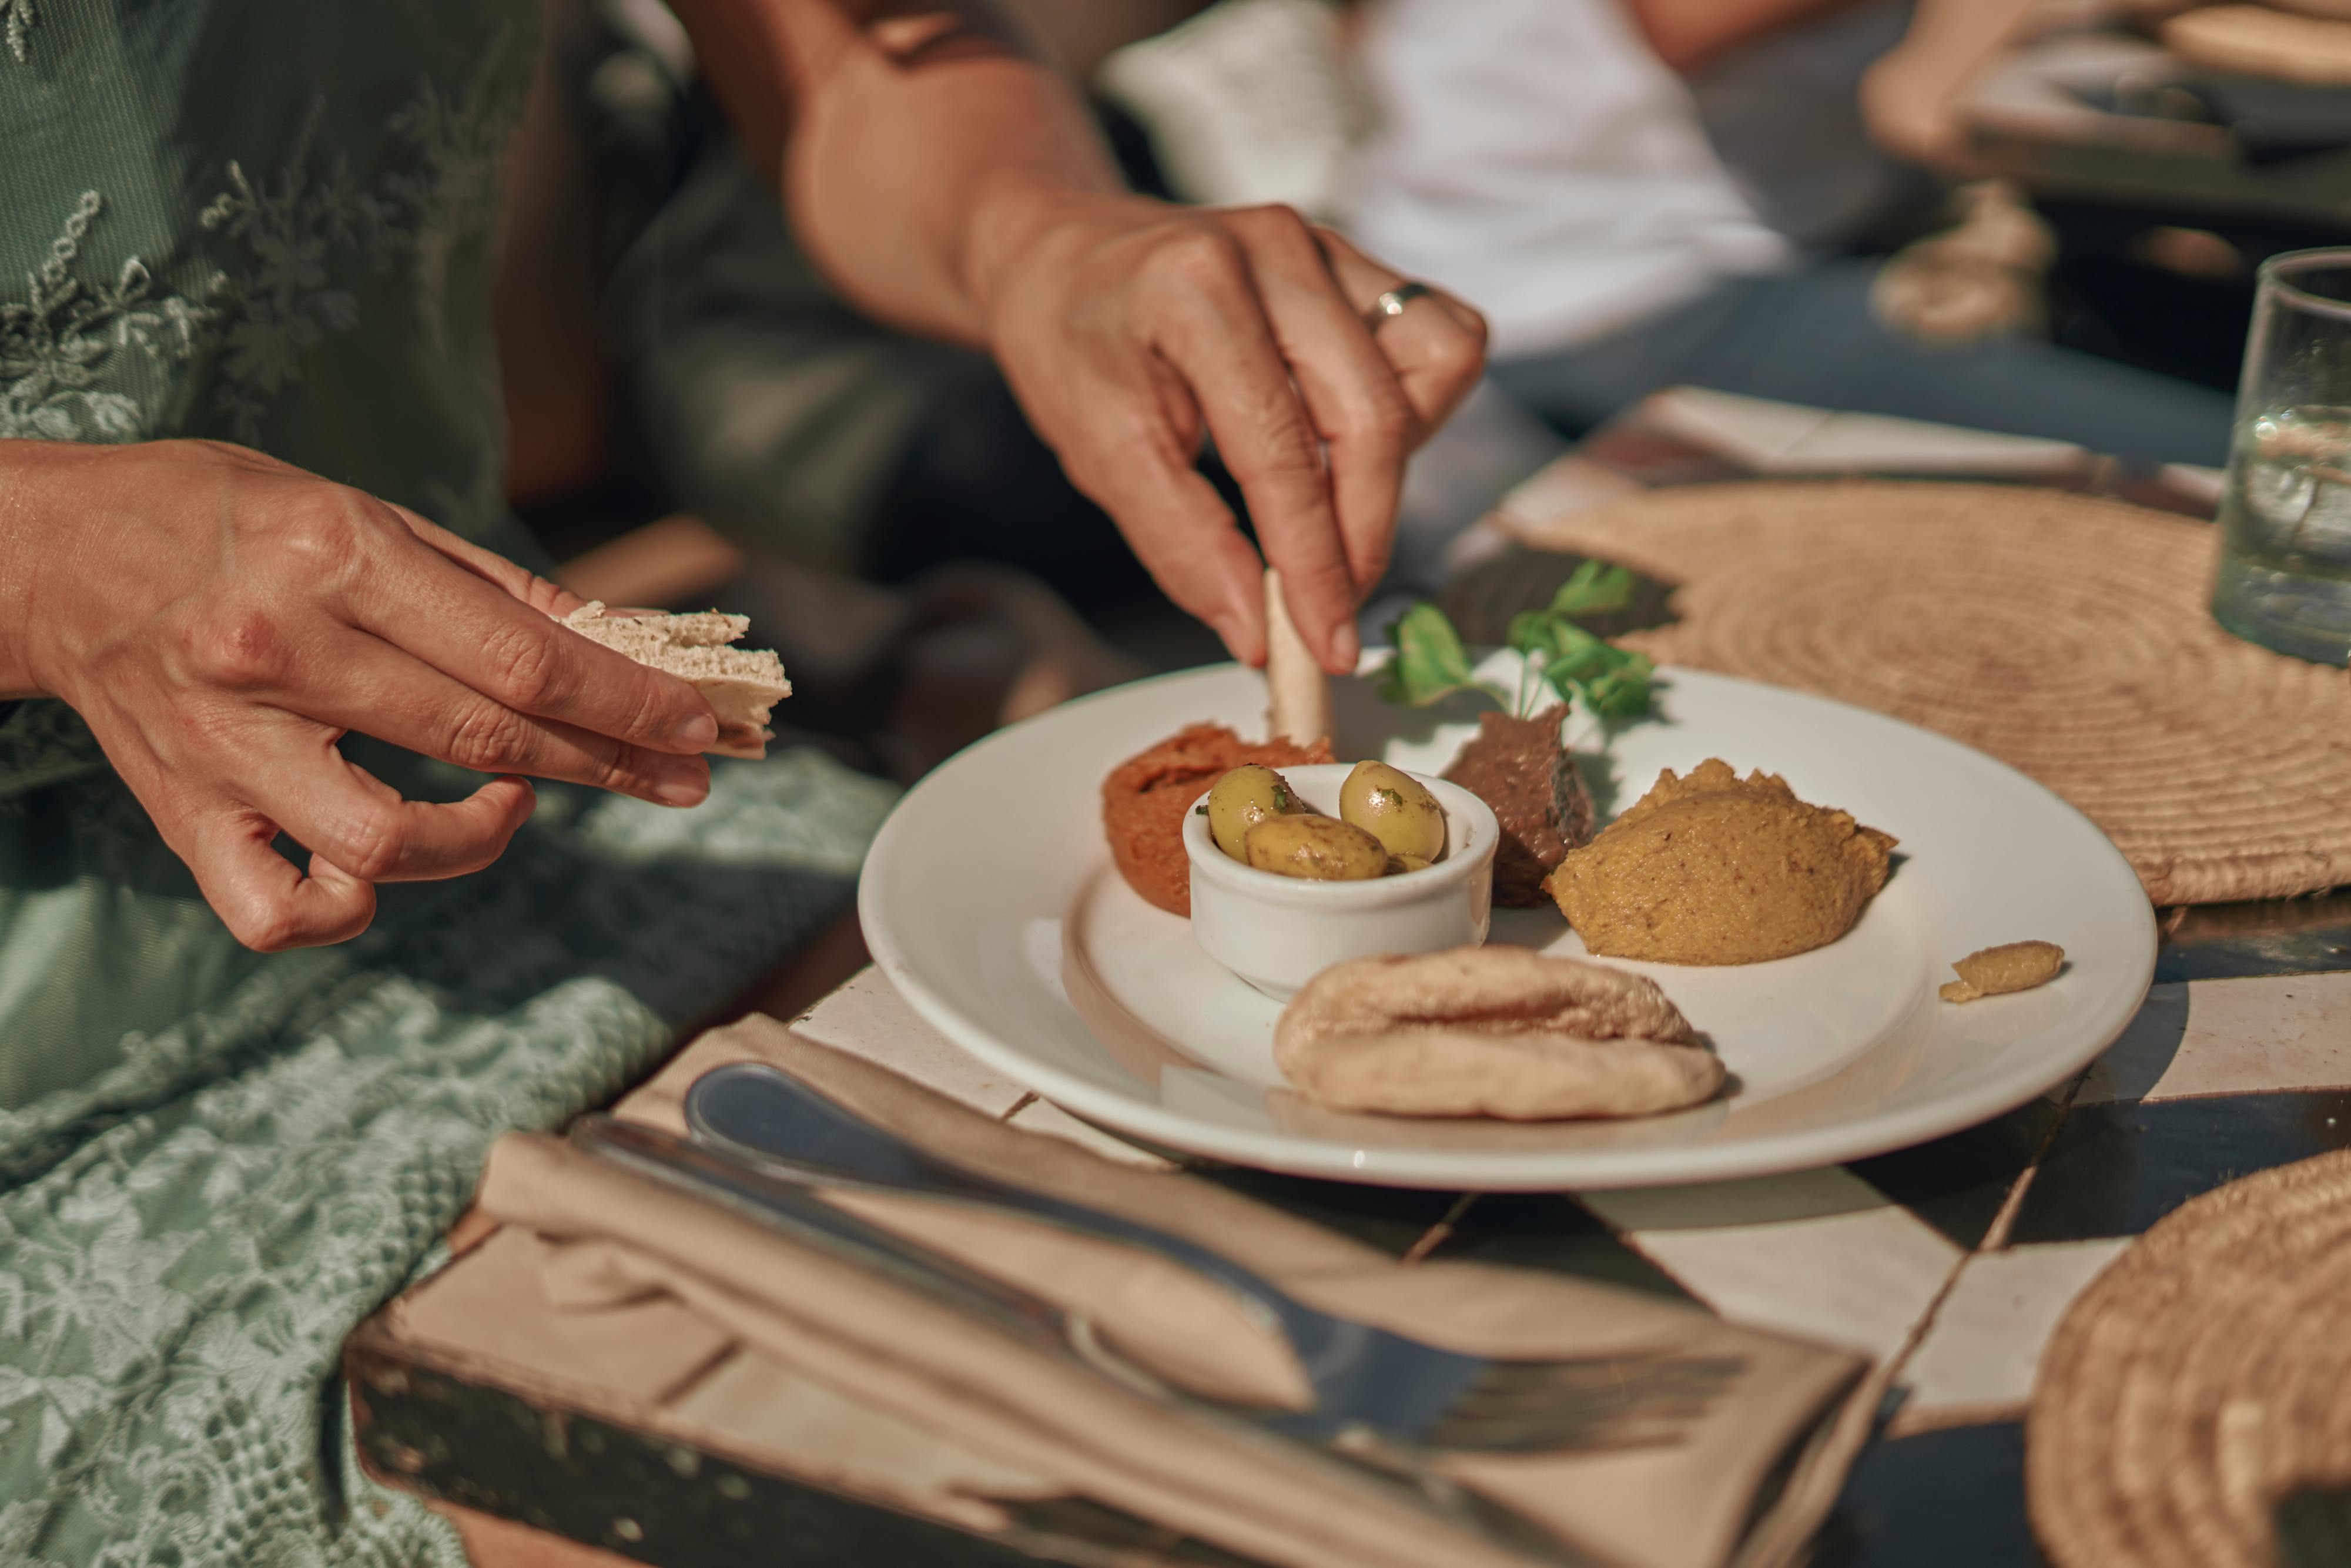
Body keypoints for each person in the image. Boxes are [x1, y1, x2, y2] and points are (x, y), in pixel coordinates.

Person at [0, 4, 1483, 1562]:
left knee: (1289, 1217)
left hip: (533, 810)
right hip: (55, 1097)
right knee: (848, 1494)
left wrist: (1037, 232)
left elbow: (843, 64)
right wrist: (65, 571)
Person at [1346, 0, 2234, 475]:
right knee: (2250, 455)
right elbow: (1687, 18)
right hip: (1615, 291)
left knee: (2214, 342)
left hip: (1763, 240)